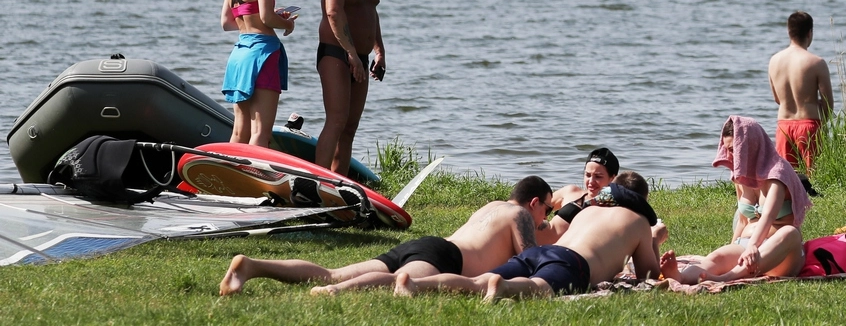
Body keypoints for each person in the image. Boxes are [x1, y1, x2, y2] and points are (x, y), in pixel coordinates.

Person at [219, 175, 554, 296]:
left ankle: (252, 266)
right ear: (534, 203)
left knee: (333, 270)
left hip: (429, 245)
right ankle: (335, 292)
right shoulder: (521, 215)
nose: (545, 219)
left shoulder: (491, 206)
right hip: (445, 258)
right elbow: (528, 259)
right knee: (400, 281)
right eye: (547, 210)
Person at [393, 171, 661, 300]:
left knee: (477, 281)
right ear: (641, 201)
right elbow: (648, 274)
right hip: (573, 263)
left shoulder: (589, 210)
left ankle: (416, 284)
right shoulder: (638, 221)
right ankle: (504, 288)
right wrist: (654, 240)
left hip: (541, 252)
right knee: (538, 287)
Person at [660, 116, 810, 283]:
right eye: (728, 150)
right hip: (747, 246)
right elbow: (743, 220)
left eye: (734, 150)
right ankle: (680, 276)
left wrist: (753, 246)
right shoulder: (740, 178)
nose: (731, 156)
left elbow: (768, 216)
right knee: (715, 258)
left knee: (790, 232)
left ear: (750, 145)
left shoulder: (778, 173)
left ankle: (727, 277)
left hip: (782, 253)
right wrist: (732, 247)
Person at [315, 0, 385, 174]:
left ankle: (338, 182)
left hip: (361, 56)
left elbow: (371, 10)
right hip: (336, 52)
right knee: (336, 121)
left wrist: (379, 50)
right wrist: (351, 53)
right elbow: (333, 11)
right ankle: (315, 182)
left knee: (350, 127)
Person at [220, 0, 296, 146]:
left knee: (239, 131)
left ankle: (230, 166)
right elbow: (266, 18)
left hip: (240, 54)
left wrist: (267, 15)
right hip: (263, 53)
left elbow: (227, 22)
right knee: (261, 132)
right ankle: (254, 169)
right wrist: (286, 23)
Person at [768, 11, 833, 170]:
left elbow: (777, 99)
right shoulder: (817, 62)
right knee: (814, 176)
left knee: (786, 177)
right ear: (810, 33)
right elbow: (828, 104)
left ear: (789, 32)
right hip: (809, 125)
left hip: (784, 125)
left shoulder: (774, 60)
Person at [539, 147, 620, 244]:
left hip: (559, 250)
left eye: (598, 176)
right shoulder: (571, 191)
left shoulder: (614, 210)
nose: (591, 182)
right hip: (532, 241)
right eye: (588, 175)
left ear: (612, 178)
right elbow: (536, 207)